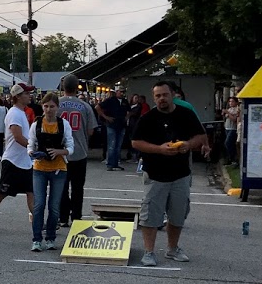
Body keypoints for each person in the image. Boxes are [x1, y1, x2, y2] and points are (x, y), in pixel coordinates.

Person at [130, 81, 208, 266]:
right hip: (155, 174)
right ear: (153, 97)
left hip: (181, 173)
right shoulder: (148, 118)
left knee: (178, 214)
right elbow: (135, 142)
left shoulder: (186, 114)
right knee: (150, 215)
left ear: (172, 95)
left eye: (164, 95)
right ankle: (149, 252)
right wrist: (159, 149)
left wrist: (189, 145)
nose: (161, 99)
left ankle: (172, 249)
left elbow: (200, 136)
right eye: (157, 96)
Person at [0, 83, 36, 232]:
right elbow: (17, 137)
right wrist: (34, 148)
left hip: (23, 161)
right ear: (17, 96)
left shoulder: (21, 112)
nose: (30, 96)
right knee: (2, 192)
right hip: (13, 161)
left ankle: (37, 221)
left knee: (31, 191)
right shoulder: (14, 113)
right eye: (26, 94)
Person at [27, 93, 74, 252]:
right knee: (39, 204)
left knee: (54, 206)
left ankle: (51, 237)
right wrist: (32, 153)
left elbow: (71, 147)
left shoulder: (64, 124)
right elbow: (30, 144)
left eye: (52, 106)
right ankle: (36, 239)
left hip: (58, 169)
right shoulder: (36, 124)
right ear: (42, 107)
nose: (48, 110)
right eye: (46, 106)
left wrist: (59, 151)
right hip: (39, 168)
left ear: (57, 107)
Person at [56, 75, 97, 228]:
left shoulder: (56, 104)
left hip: (61, 151)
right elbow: (91, 131)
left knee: (62, 186)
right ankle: (76, 217)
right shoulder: (85, 106)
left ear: (63, 87)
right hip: (79, 151)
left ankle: (63, 217)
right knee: (78, 187)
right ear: (77, 86)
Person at [97, 88, 130, 171]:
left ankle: (116, 163)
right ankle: (110, 164)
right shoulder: (110, 100)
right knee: (112, 145)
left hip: (121, 125)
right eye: (121, 92)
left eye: (123, 92)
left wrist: (127, 117)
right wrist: (105, 117)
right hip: (112, 125)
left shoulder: (125, 101)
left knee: (118, 146)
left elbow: (130, 111)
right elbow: (97, 107)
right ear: (117, 92)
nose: (122, 93)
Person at [223, 96, 241, 166]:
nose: (231, 103)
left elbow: (234, 119)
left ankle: (233, 158)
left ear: (236, 102)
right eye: (230, 101)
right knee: (229, 144)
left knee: (227, 143)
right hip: (227, 128)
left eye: (232, 101)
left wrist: (228, 113)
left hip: (232, 129)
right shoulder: (230, 109)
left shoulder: (237, 110)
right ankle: (230, 158)